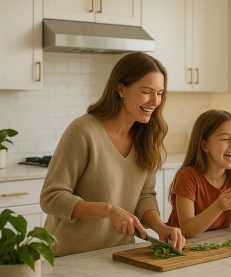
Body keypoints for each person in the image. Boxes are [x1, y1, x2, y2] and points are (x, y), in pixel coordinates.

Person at [40, 52, 185, 256]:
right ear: (120, 89)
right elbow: (51, 198)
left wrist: (160, 227)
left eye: (160, 93)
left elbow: (144, 196)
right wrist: (108, 210)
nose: (155, 101)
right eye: (146, 92)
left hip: (119, 254)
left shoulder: (147, 137)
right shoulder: (83, 131)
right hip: (69, 257)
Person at [166, 109, 231, 241]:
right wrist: (218, 206)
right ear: (204, 145)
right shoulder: (187, 176)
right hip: (180, 244)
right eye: (225, 139)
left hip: (215, 242)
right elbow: (187, 229)